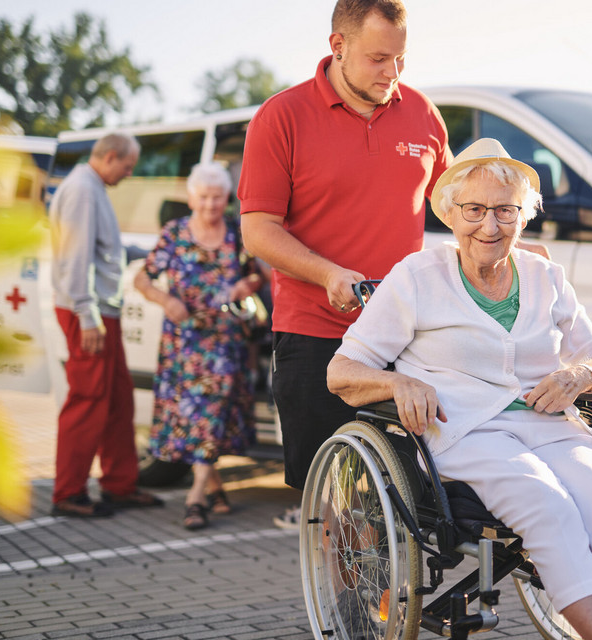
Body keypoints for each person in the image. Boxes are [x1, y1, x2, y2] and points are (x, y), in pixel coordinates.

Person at [327, 139, 592, 640]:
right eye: (474, 209)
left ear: (523, 217)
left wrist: (582, 375)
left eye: (505, 211)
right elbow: (342, 371)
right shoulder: (416, 278)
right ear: (450, 213)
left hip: (550, 424)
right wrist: (398, 381)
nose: (489, 226)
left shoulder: (546, 277)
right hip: (465, 430)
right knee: (547, 505)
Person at [237, 0, 453, 526]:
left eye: (400, 58)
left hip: (405, 335)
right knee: (334, 506)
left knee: (413, 495)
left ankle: (403, 579)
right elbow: (258, 229)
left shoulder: (422, 112)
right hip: (315, 335)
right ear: (338, 46)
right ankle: (344, 580)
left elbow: (455, 204)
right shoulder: (281, 116)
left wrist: (510, 237)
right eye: (378, 58)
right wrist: (328, 273)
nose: (392, 72)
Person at [134, 163, 263, 530]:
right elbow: (143, 278)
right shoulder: (174, 234)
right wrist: (165, 300)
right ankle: (215, 487)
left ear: (227, 199)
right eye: (203, 197)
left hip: (225, 341)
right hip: (184, 342)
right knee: (194, 417)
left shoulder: (236, 234)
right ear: (191, 198)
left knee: (212, 413)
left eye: (217, 197)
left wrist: (246, 286)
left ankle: (195, 498)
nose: (210, 204)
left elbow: (258, 273)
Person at [49, 133, 164, 518]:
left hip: (100, 314)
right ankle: (68, 493)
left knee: (117, 398)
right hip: (90, 314)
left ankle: (119, 485)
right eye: (128, 167)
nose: (128, 174)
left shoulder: (91, 188)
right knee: (88, 399)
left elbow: (107, 249)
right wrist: (86, 315)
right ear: (111, 156)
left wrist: (156, 250)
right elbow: (74, 257)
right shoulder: (83, 191)